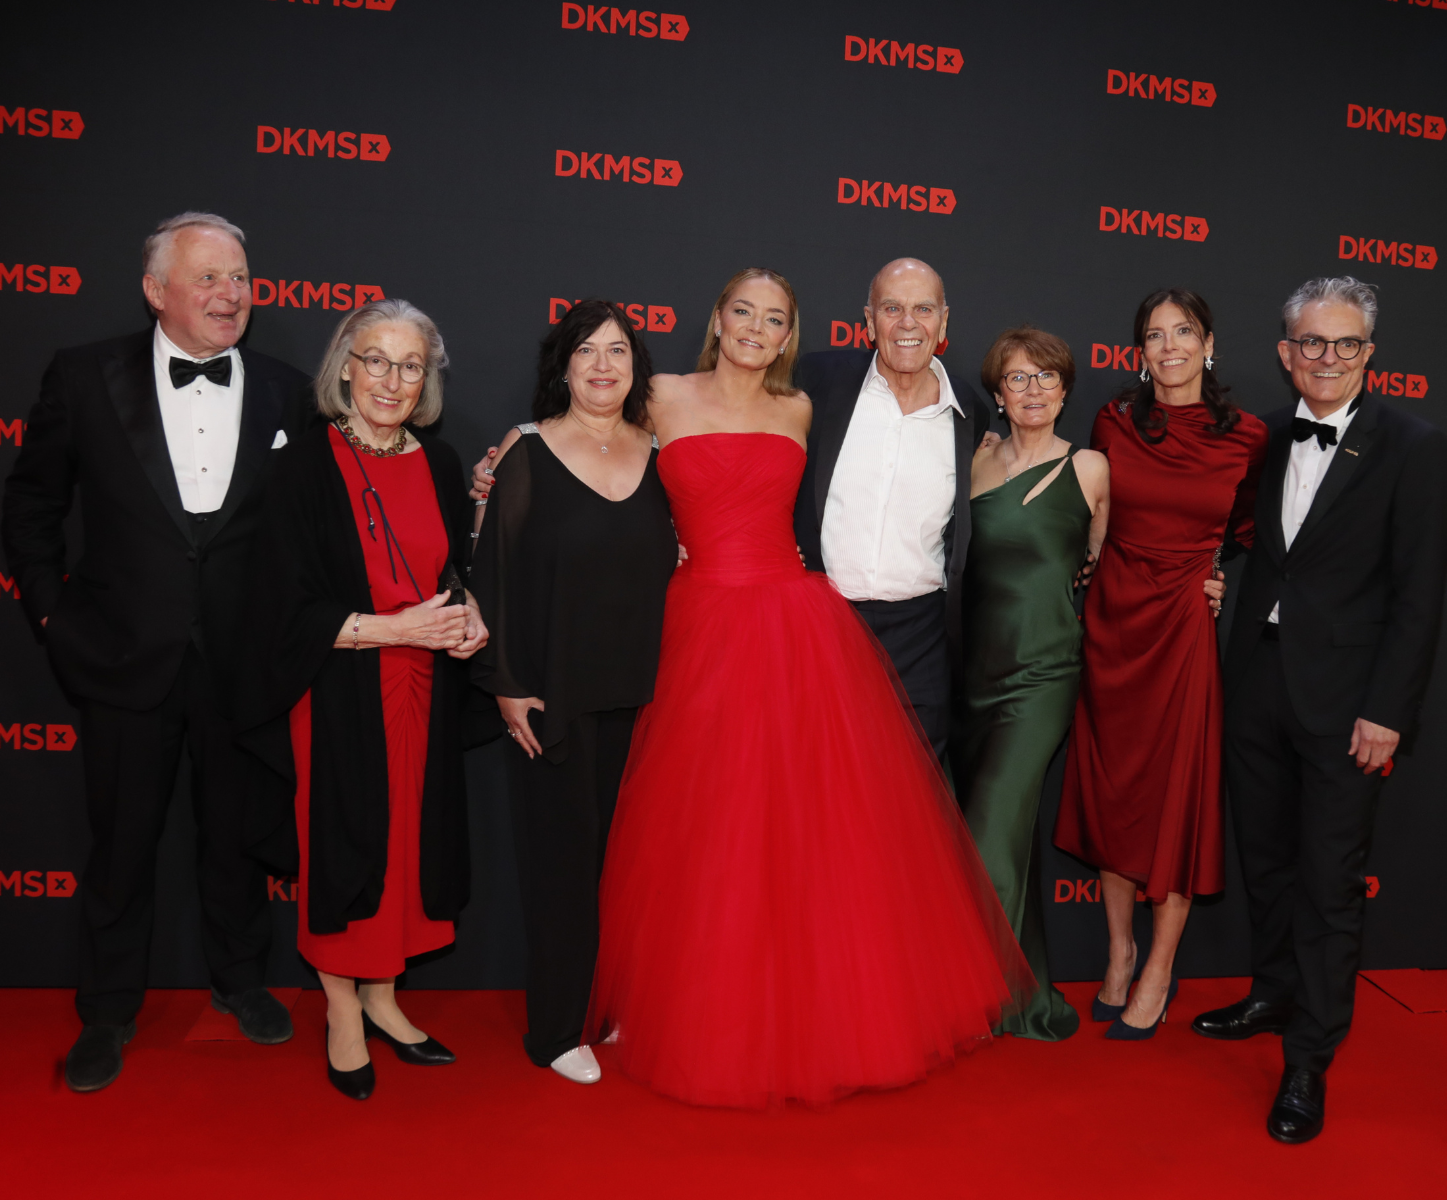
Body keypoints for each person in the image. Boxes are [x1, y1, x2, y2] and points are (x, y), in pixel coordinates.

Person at [583, 268, 1034, 1109]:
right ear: (717, 317)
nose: (756, 328)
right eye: (742, 311)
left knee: (826, 831)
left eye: (775, 318)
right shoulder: (663, 393)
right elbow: (592, 442)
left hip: (802, 625)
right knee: (705, 822)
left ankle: (842, 1000)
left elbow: (1010, 480)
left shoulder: (817, 404)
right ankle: (681, 999)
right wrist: (512, 460)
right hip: (704, 628)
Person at [1, 212, 311, 1092]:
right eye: (208, 277)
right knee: (121, 845)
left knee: (236, 839)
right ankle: (106, 1012)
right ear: (155, 291)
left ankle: (241, 980)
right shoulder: (84, 377)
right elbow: (30, 509)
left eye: (241, 278)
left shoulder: (290, 390)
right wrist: (55, 620)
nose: (230, 294)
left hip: (243, 663)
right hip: (122, 655)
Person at [1192, 277, 1447, 1143]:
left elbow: (1420, 597)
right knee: (1264, 861)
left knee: (1330, 881)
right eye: (1311, 342)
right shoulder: (1263, 438)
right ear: (1284, 351)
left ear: (1370, 354)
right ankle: (1273, 991)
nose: (1327, 358)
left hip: (1350, 705)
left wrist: (1388, 712)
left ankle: (1308, 1059)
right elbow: (1245, 541)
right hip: (1257, 681)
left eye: (1345, 345)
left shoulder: (1413, 447)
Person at [234, 299, 487, 1100]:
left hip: (422, 690)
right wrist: (395, 630)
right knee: (344, 844)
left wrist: (466, 611)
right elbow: (281, 606)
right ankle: (342, 1006)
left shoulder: (439, 465)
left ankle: (384, 996)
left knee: (411, 846)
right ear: (345, 364)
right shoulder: (304, 466)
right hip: (339, 689)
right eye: (375, 359)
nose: (393, 379)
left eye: (411, 365)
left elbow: (449, 573)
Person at [472, 300, 678, 1086]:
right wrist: (506, 687)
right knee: (563, 870)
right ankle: (557, 1028)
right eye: (586, 352)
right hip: (554, 697)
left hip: (651, 698)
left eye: (618, 352)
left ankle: (611, 1007)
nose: (602, 366)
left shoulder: (662, 456)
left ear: (637, 368)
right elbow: (492, 577)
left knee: (631, 867)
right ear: (562, 367)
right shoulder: (525, 453)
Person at [1055, 288, 1267, 1040]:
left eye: (1183, 332)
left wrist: (1210, 572)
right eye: (1154, 334)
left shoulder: (1246, 435)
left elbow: (1246, 531)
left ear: (1209, 342)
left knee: (1173, 802)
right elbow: (1089, 513)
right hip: (1113, 623)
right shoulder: (1113, 421)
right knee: (1116, 795)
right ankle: (1117, 953)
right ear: (1138, 351)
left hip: (1182, 631)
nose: (1169, 346)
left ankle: (1159, 971)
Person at [953, 327, 1108, 1042]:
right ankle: (1021, 988)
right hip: (970, 674)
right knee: (998, 841)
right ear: (997, 394)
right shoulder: (976, 463)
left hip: (1045, 673)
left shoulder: (1092, 469)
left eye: (1047, 377)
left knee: (990, 834)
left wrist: (1207, 584)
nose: (1035, 390)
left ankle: (972, 994)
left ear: (1066, 389)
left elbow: (1119, 569)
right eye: (1019, 379)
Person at [789, 258, 991, 761]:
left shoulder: (968, 410)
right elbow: (738, 428)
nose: (907, 323)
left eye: (923, 309)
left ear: (944, 322)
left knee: (912, 793)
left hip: (919, 635)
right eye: (892, 308)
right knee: (814, 780)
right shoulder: (818, 380)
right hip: (822, 623)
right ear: (868, 319)